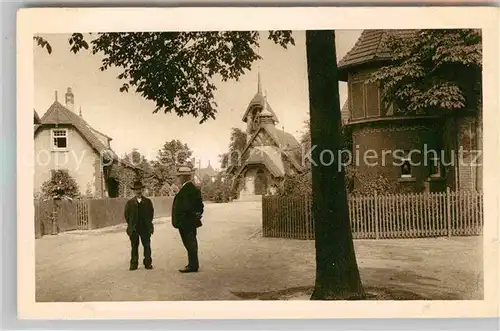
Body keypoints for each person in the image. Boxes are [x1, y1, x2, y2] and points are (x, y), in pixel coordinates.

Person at [171, 166, 204, 273]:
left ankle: (193, 265)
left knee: (190, 243)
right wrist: (197, 214)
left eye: (179, 177)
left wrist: (192, 215)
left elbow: (188, 206)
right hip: (188, 221)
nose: (178, 179)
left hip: (186, 222)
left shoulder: (188, 189)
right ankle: (193, 264)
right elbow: (200, 206)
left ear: (183, 177)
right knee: (190, 243)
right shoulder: (190, 188)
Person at [124, 180, 155, 270]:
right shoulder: (130, 203)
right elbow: (126, 215)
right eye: (136, 190)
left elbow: (151, 214)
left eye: (140, 189)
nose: (138, 191)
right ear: (134, 191)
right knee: (134, 246)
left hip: (145, 228)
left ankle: (148, 263)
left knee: (147, 246)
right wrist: (131, 224)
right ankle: (134, 264)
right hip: (134, 228)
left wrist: (148, 224)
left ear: (142, 190)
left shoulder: (148, 202)